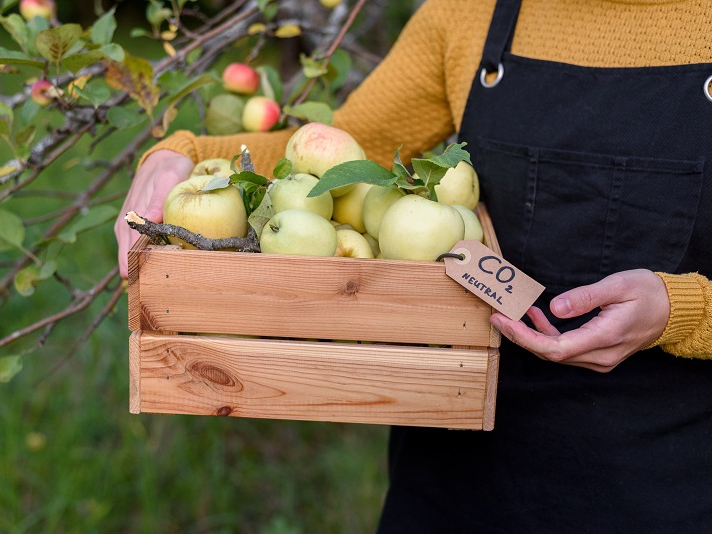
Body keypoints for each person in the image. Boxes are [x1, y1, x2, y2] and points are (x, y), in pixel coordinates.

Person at [115, 0, 712, 531]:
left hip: (666, 478)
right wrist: (182, 157)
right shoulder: (473, 14)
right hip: (460, 471)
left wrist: (682, 311)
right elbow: (343, 155)